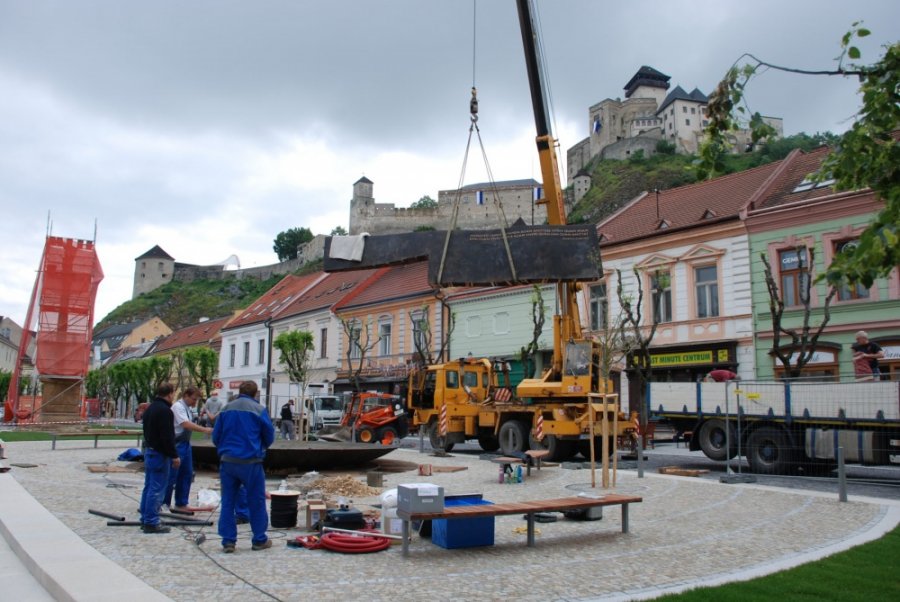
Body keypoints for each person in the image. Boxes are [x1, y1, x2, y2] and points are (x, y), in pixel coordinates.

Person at [212, 380, 275, 553]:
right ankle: (259, 539)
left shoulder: (226, 408)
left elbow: (216, 436)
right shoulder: (259, 410)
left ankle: (228, 541)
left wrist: (224, 450)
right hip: (251, 462)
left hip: (228, 461)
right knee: (256, 501)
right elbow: (269, 436)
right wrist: (260, 447)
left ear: (239, 391)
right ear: (255, 393)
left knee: (227, 502)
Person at [138, 382, 180, 534]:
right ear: (169, 394)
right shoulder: (165, 411)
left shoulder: (150, 409)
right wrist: (174, 455)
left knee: (149, 486)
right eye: (173, 394)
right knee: (157, 488)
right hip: (160, 454)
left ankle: (145, 517)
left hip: (150, 450)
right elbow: (167, 436)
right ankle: (151, 521)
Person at [164, 386, 212, 512]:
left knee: (186, 474)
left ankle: (181, 503)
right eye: (193, 399)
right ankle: (164, 503)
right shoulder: (178, 407)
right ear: (185, 395)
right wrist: (204, 429)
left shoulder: (188, 408)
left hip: (185, 444)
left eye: (196, 400)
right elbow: (185, 424)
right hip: (177, 444)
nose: (194, 402)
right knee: (172, 476)